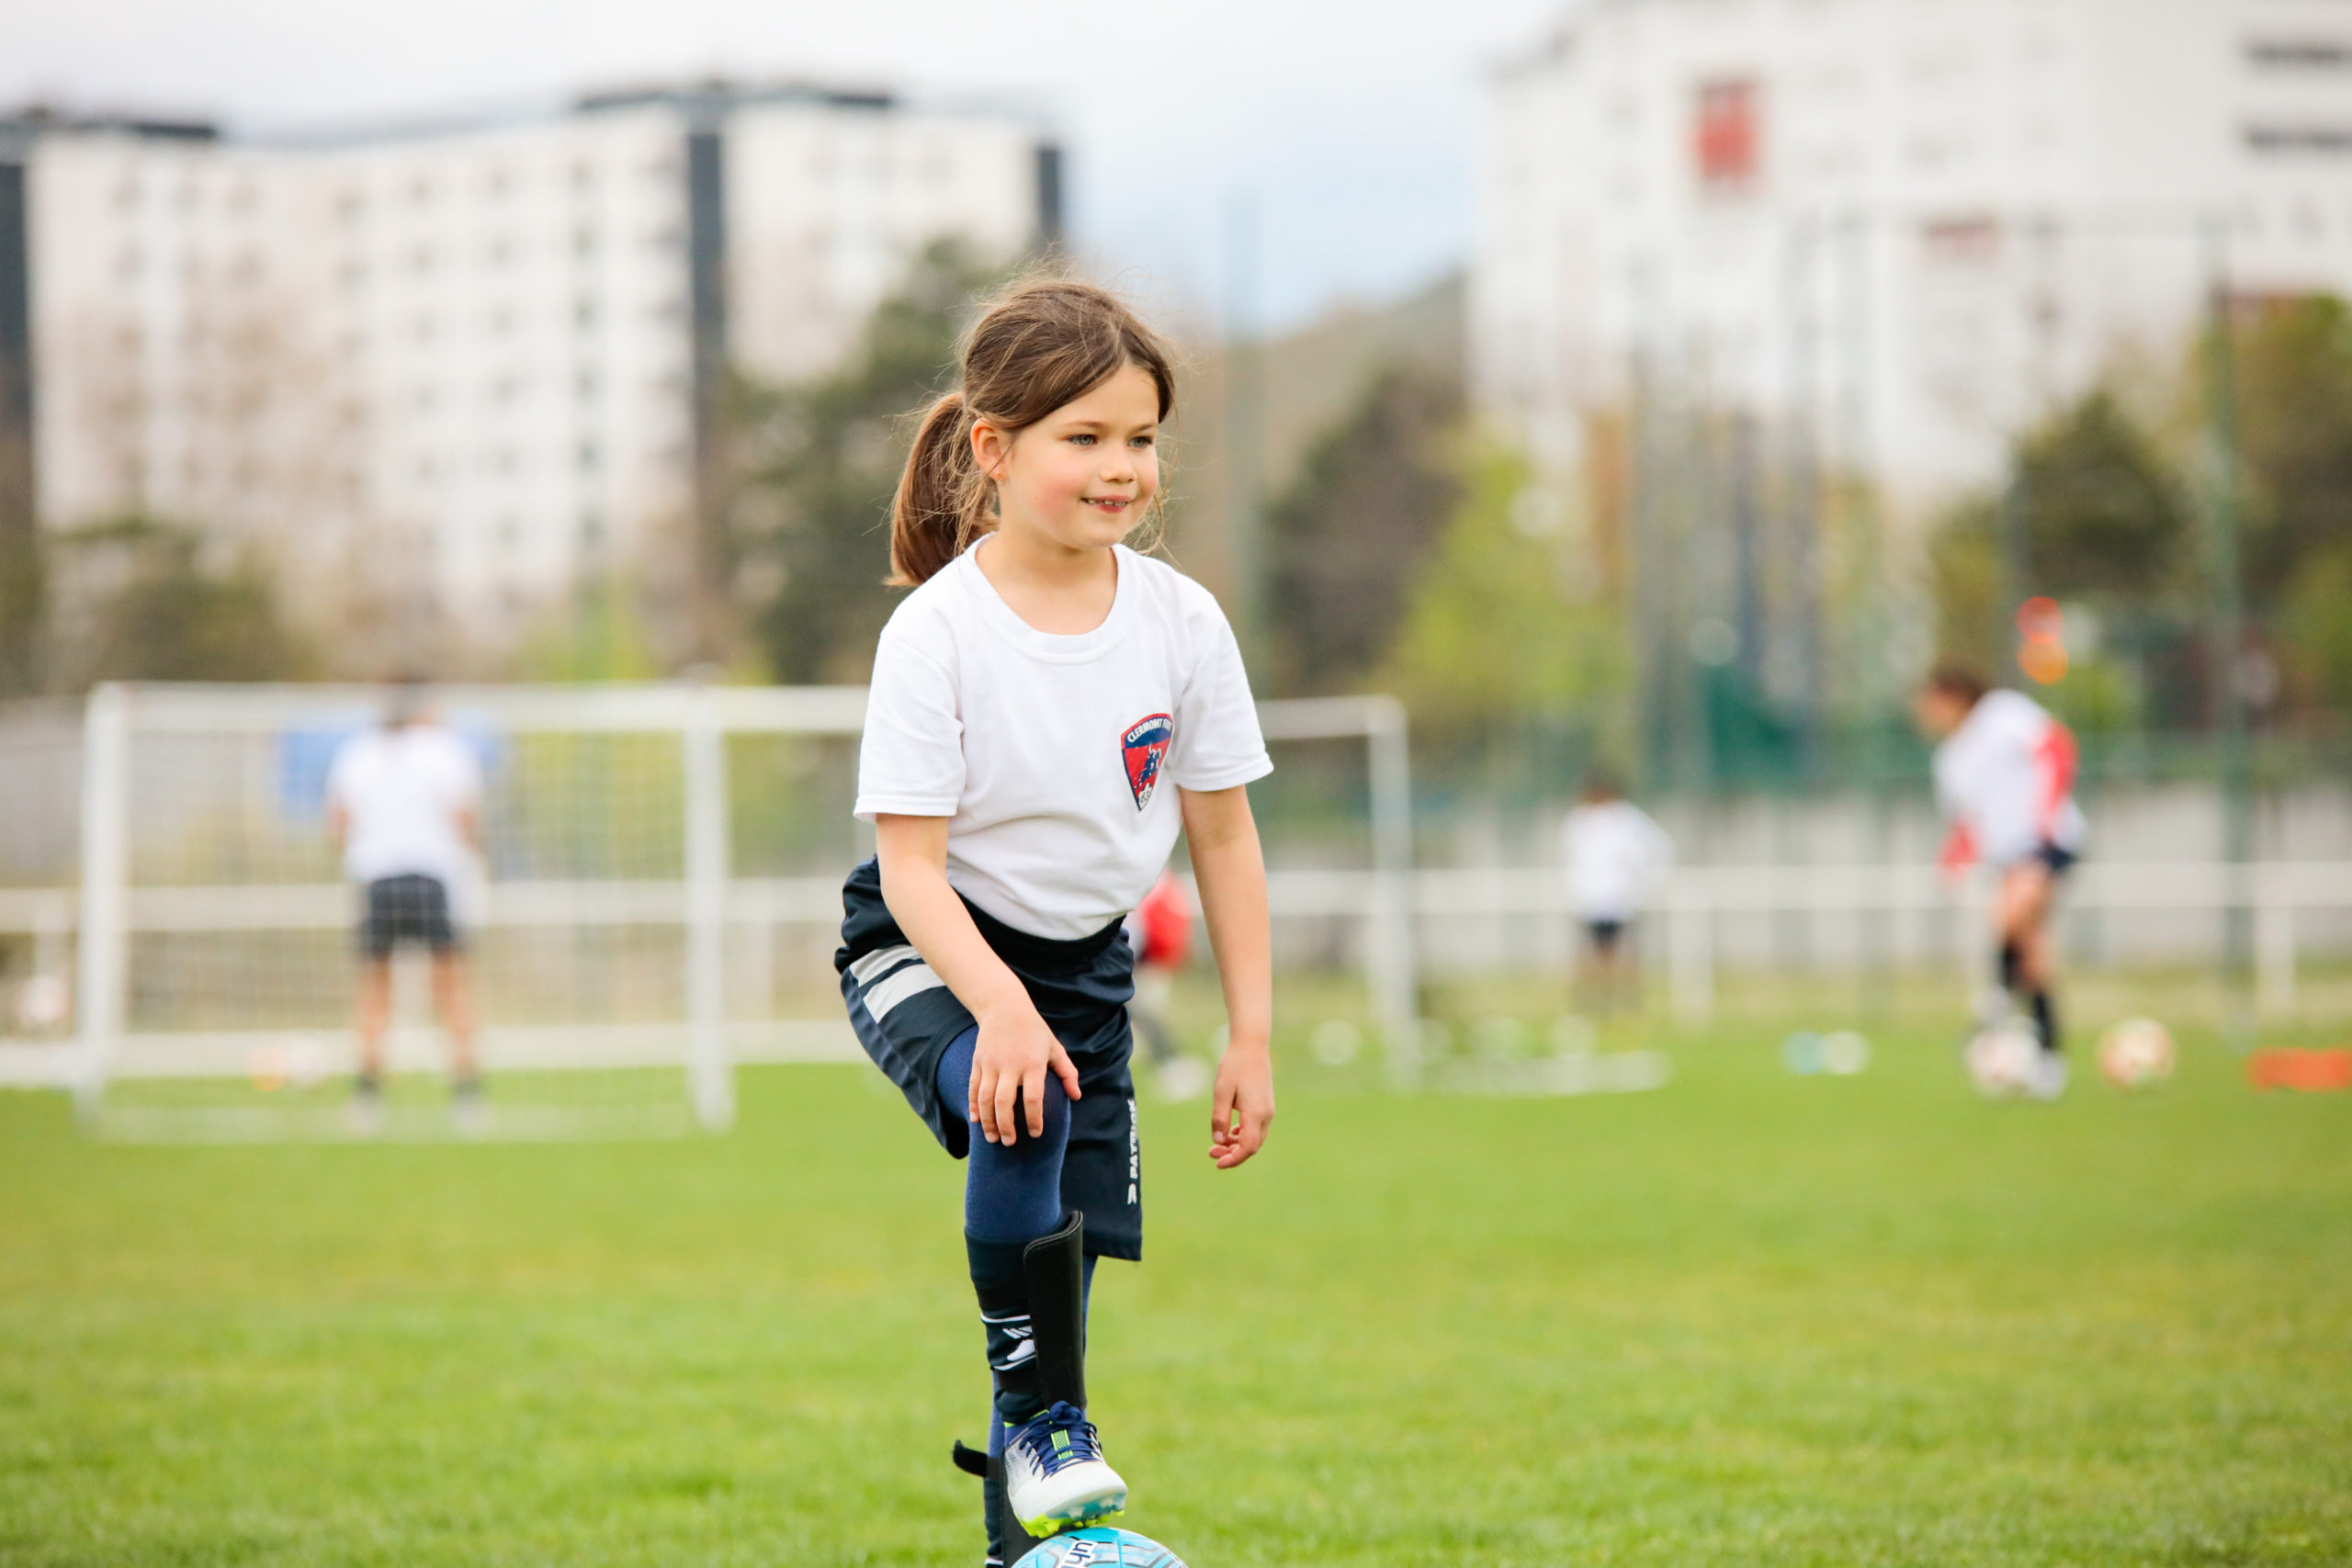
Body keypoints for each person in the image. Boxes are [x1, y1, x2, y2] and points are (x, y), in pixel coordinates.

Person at [833, 277, 1275, 1565]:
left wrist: (1251, 1032)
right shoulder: (937, 635)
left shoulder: (1183, 623)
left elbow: (1226, 834)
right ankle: (1038, 1411)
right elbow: (909, 867)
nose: (1121, 467)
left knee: (1049, 1310)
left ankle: (1024, 1518)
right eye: (1084, 438)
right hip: (928, 942)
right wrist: (1002, 1007)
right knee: (1014, 1095)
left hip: (1084, 968)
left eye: (1140, 438)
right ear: (995, 448)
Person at [1914, 664, 2086, 1100]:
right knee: (2032, 948)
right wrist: (1952, 862)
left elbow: (2056, 747)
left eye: (1930, 704)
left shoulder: (2001, 714)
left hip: (2047, 842)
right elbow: (1968, 824)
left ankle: (1995, 1002)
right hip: (2007, 856)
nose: (1925, 716)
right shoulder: (1949, 761)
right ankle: (2046, 1057)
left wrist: (2046, 813)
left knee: (2011, 914)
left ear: (1953, 695)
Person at [325, 678, 485, 1132]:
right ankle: (467, 1096)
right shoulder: (444, 750)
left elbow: (337, 823)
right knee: (451, 988)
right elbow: (466, 820)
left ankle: (368, 1099)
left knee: (375, 991)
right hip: (431, 879)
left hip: (378, 880)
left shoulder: (356, 754)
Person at [1560, 773, 1673, 1016]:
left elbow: (1656, 848)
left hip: (1620, 900)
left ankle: (1629, 1008)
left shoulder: (1627, 819)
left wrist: (1648, 884)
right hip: (1590, 901)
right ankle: (1591, 1008)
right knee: (1590, 958)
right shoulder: (1579, 820)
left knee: (1625, 957)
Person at [1123, 868, 1207, 1099]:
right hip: (1134, 959)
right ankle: (1170, 1062)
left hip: (1136, 960)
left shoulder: (1154, 880)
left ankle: (1172, 1063)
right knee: (1140, 1015)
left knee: (1142, 1015)